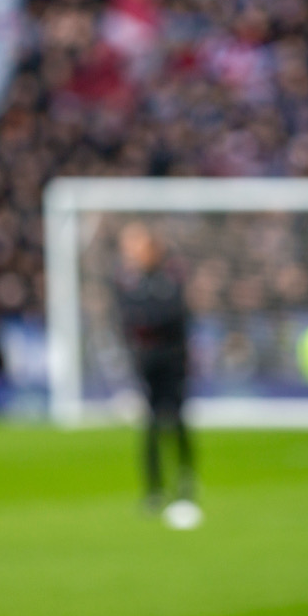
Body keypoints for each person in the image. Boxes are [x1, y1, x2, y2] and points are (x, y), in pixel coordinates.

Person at [115, 222, 197, 524]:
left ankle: (185, 480)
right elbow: (128, 314)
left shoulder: (170, 278)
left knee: (176, 419)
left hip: (173, 361)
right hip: (147, 362)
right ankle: (154, 488)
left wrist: (148, 320)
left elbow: (172, 314)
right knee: (150, 424)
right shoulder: (129, 282)